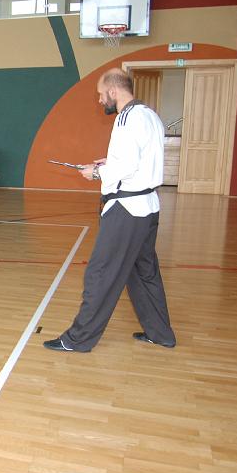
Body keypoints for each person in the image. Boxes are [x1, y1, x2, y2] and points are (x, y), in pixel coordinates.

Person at [44, 68, 176, 353]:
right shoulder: (148, 115)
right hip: (147, 208)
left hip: (127, 210)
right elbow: (139, 159)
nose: (100, 99)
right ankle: (160, 333)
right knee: (143, 272)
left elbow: (127, 166)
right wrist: (108, 163)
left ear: (114, 91)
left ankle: (78, 339)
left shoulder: (126, 118)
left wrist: (95, 172)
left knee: (101, 273)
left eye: (101, 94)